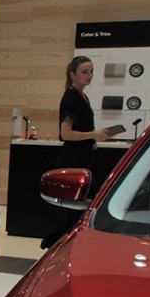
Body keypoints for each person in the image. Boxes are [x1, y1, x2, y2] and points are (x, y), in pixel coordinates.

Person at [40, 55, 114, 248]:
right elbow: (66, 133)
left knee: (79, 208)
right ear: (73, 74)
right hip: (74, 160)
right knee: (73, 209)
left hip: (83, 158)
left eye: (91, 71)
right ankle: (60, 244)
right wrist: (94, 134)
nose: (89, 75)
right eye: (84, 71)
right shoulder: (71, 98)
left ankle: (67, 243)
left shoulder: (82, 97)